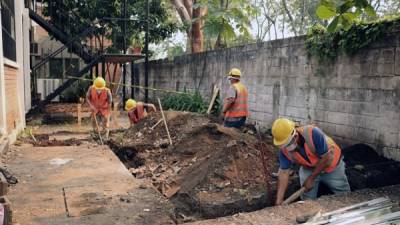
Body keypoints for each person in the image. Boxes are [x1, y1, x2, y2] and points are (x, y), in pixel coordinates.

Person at [272, 118, 350, 205]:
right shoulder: (284, 150)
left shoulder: (313, 133)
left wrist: (311, 178)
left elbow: (326, 158)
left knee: (343, 194)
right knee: (307, 200)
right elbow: (283, 173)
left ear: (295, 135)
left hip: (331, 165)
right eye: (284, 145)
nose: (287, 147)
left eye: (288, 143)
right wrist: (279, 199)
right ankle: (308, 211)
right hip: (309, 167)